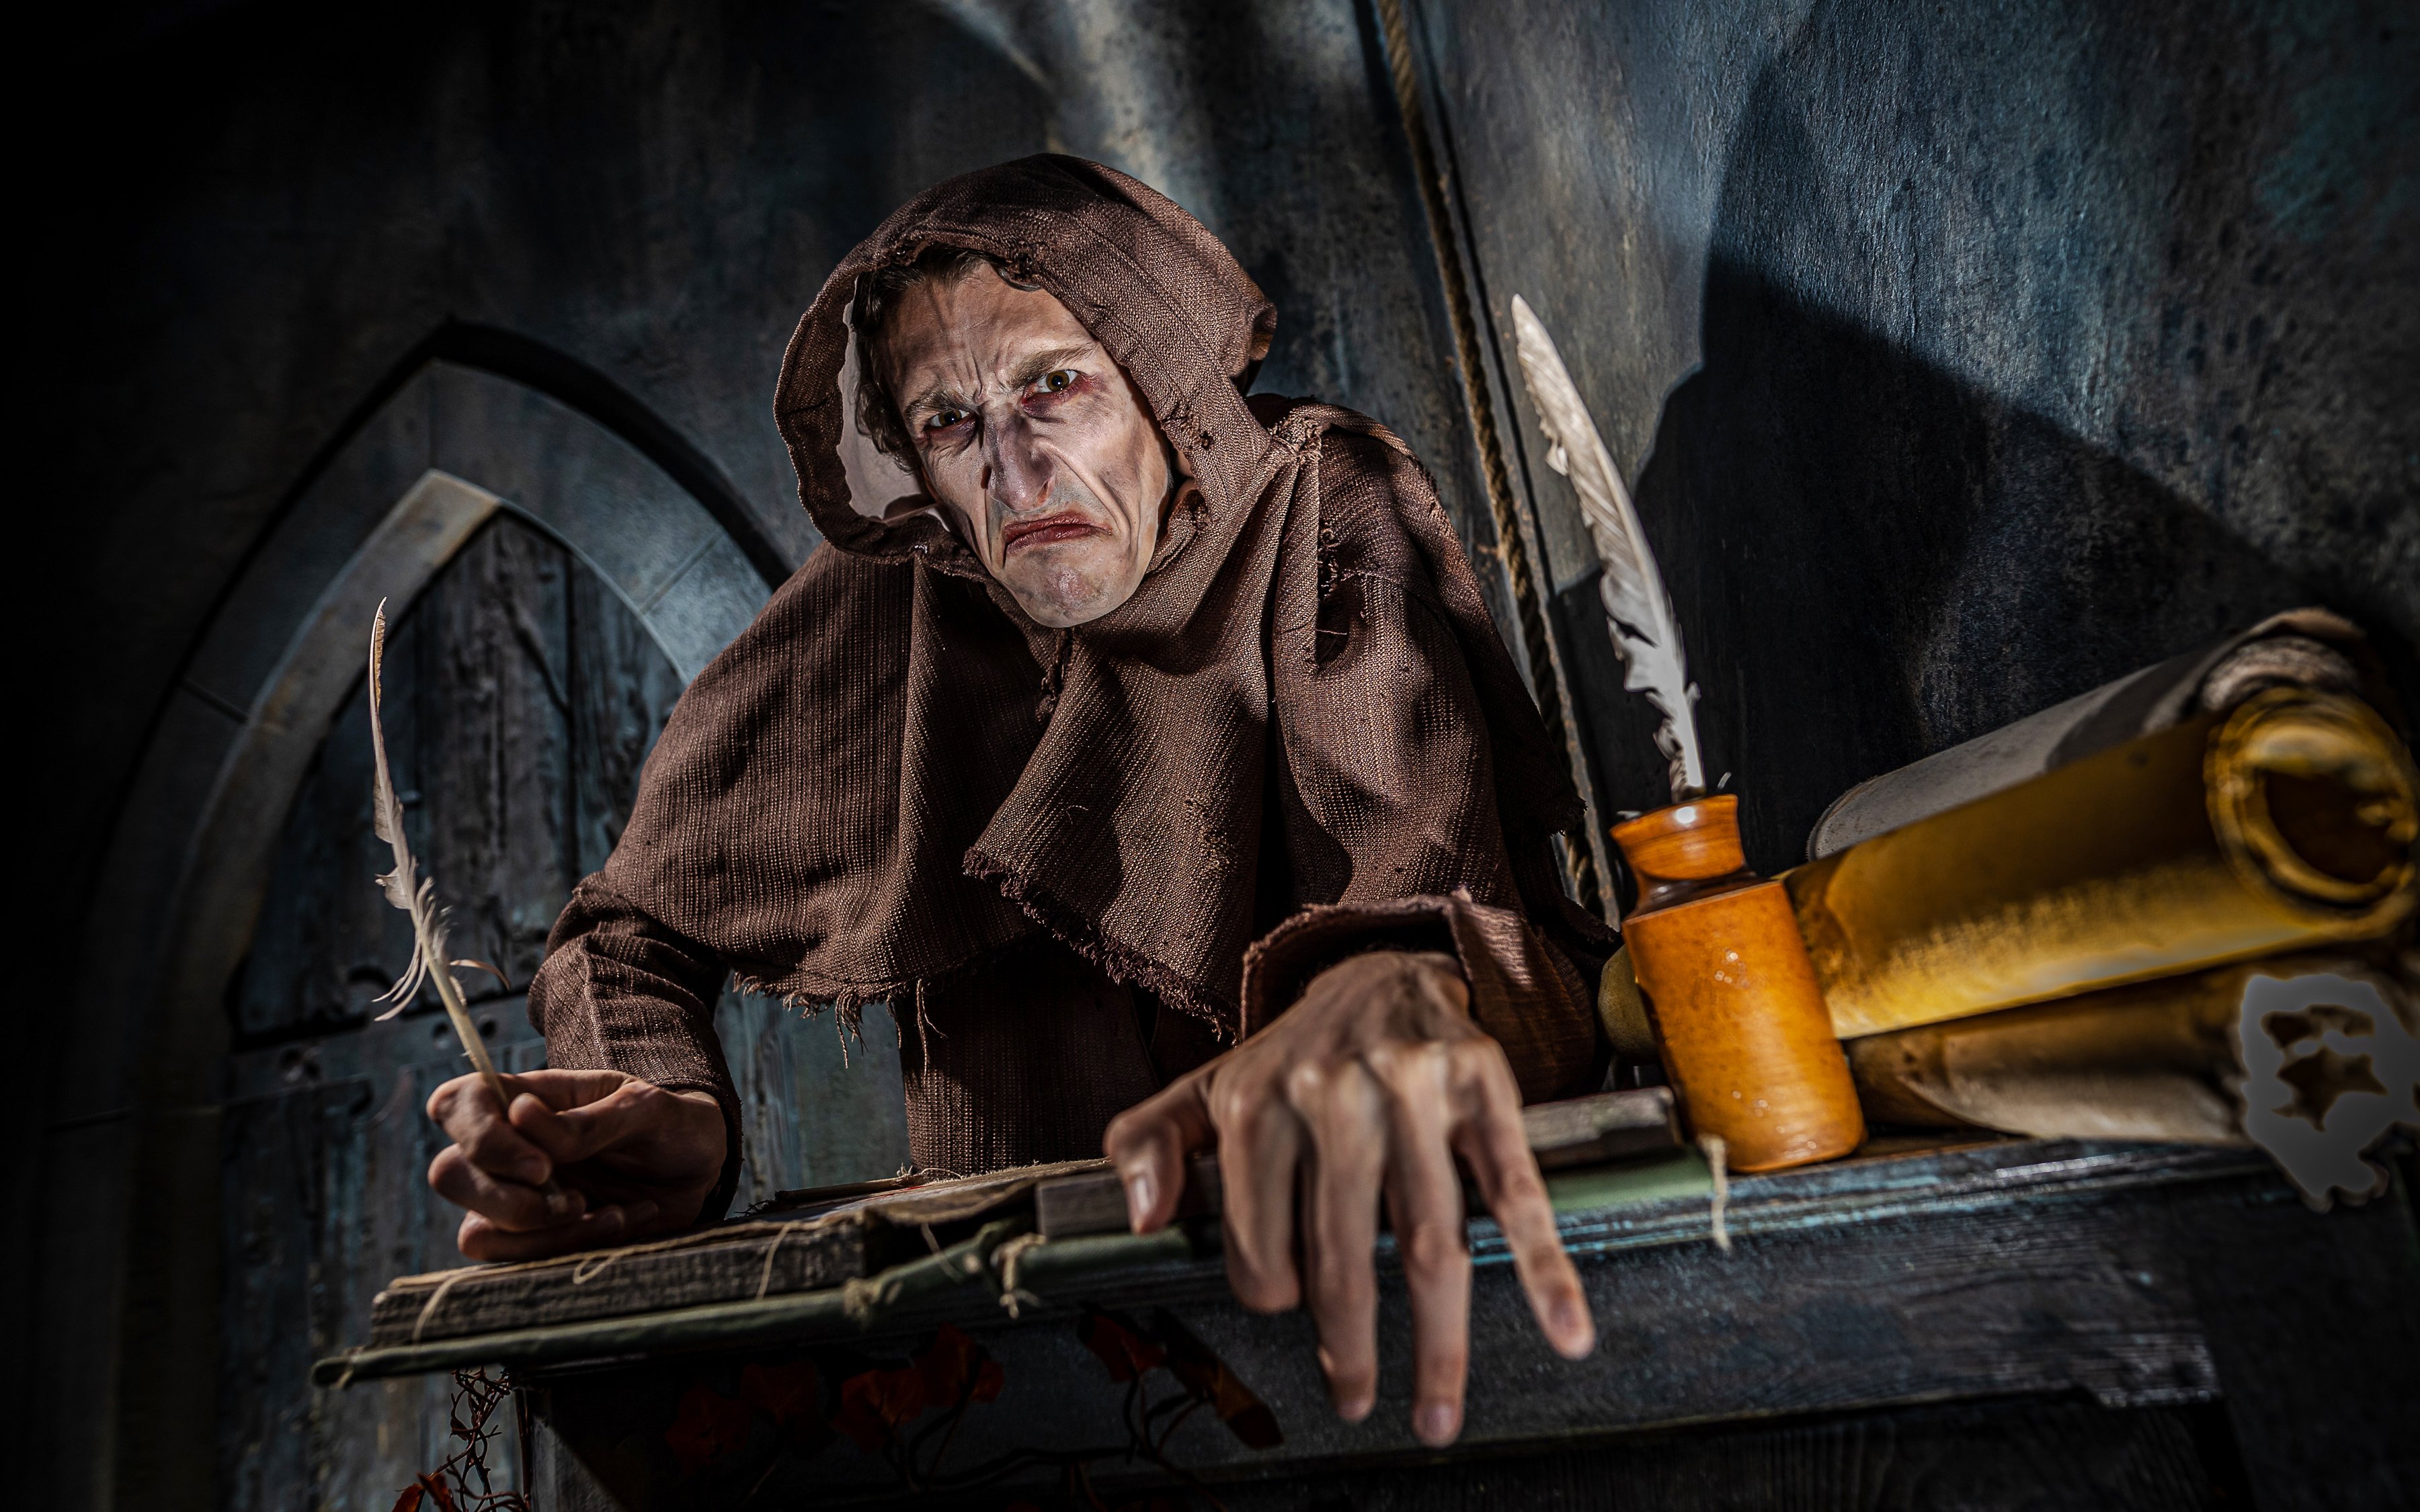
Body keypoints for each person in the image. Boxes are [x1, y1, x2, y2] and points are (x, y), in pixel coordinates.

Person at [423, 155, 1613, 1447]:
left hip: (1356, 1311)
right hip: (1018, 1377)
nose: (1013, 471)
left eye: (1054, 386)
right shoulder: (900, 597)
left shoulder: (1314, 507)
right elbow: (622, 928)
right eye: (947, 421)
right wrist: (669, 1106)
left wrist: (1405, 980)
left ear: (1158, 377)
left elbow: (1431, 899)